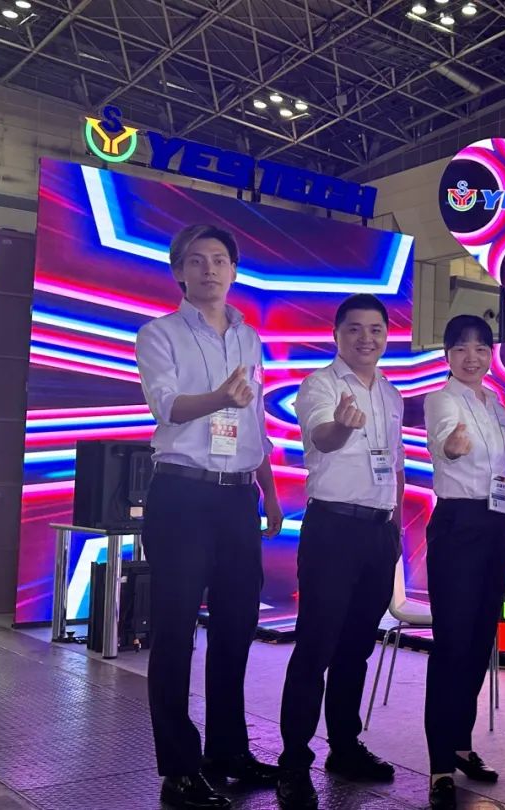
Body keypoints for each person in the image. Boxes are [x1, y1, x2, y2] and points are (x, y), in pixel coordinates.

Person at [135, 224, 283, 810]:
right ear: (179, 272)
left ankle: (228, 752)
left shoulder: (248, 337)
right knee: (175, 634)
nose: (209, 270)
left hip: (238, 498)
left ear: (234, 270)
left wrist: (269, 491)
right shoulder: (159, 333)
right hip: (182, 495)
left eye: (220, 260)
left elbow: (256, 420)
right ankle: (178, 769)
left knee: (236, 628)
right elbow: (166, 406)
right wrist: (222, 397)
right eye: (196, 261)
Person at [276, 294, 405, 810]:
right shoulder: (320, 384)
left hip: (378, 531)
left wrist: (395, 523)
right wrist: (343, 426)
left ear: (385, 336)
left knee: (357, 647)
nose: (365, 339)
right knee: (316, 646)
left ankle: (345, 747)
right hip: (332, 528)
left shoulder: (390, 393)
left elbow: (395, 462)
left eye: (375, 330)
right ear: (337, 334)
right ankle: (293, 762)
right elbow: (323, 438)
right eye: (354, 329)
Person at [423, 315, 505, 810]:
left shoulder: (498, 405)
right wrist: (451, 447)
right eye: (461, 348)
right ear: (447, 355)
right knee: (452, 644)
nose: (472, 357)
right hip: (458, 524)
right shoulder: (442, 399)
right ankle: (440, 763)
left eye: (481, 348)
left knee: (480, 641)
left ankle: (461, 744)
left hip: (496, 525)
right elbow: (446, 440)